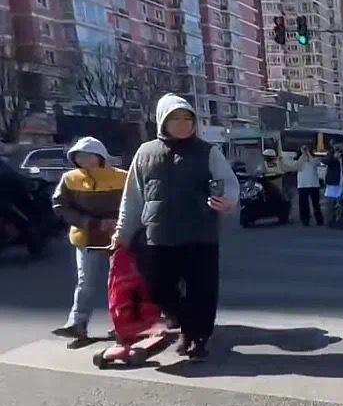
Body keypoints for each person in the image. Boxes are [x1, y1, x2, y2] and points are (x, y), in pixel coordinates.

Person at [114, 93, 238, 361]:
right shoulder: (145, 153)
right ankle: (185, 323)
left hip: (200, 235)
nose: (183, 124)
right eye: (175, 119)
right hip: (158, 236)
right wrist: (122, 233)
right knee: (157, 287)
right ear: (162, 121)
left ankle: (198, 337)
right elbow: (132, 197)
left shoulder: (208, 151)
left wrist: (226, 200)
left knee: (202, 290)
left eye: (187, 119)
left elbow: (228, 182)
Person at [51, 137, 127, 340]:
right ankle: (77, 323)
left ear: (101, 156)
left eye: (89, 155)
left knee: (121, 282)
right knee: (86, 282)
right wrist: (88, 222)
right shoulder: (70, 179)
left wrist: (117, 222)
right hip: (86, 237)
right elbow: (60, 206)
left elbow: (134, 203)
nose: (84, 160)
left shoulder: (123, 177)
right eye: (79, 157)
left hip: (118, 236)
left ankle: (125, 323)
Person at [296, 145, 323, 227]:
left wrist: (308, 153)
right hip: (302, 185)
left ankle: (319, 220)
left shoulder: (314, 159)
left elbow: (314, 163)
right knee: (303, 204)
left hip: (313, 184)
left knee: (316, 204)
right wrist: (303, 154)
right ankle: (305, 220)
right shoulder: (298, 160)